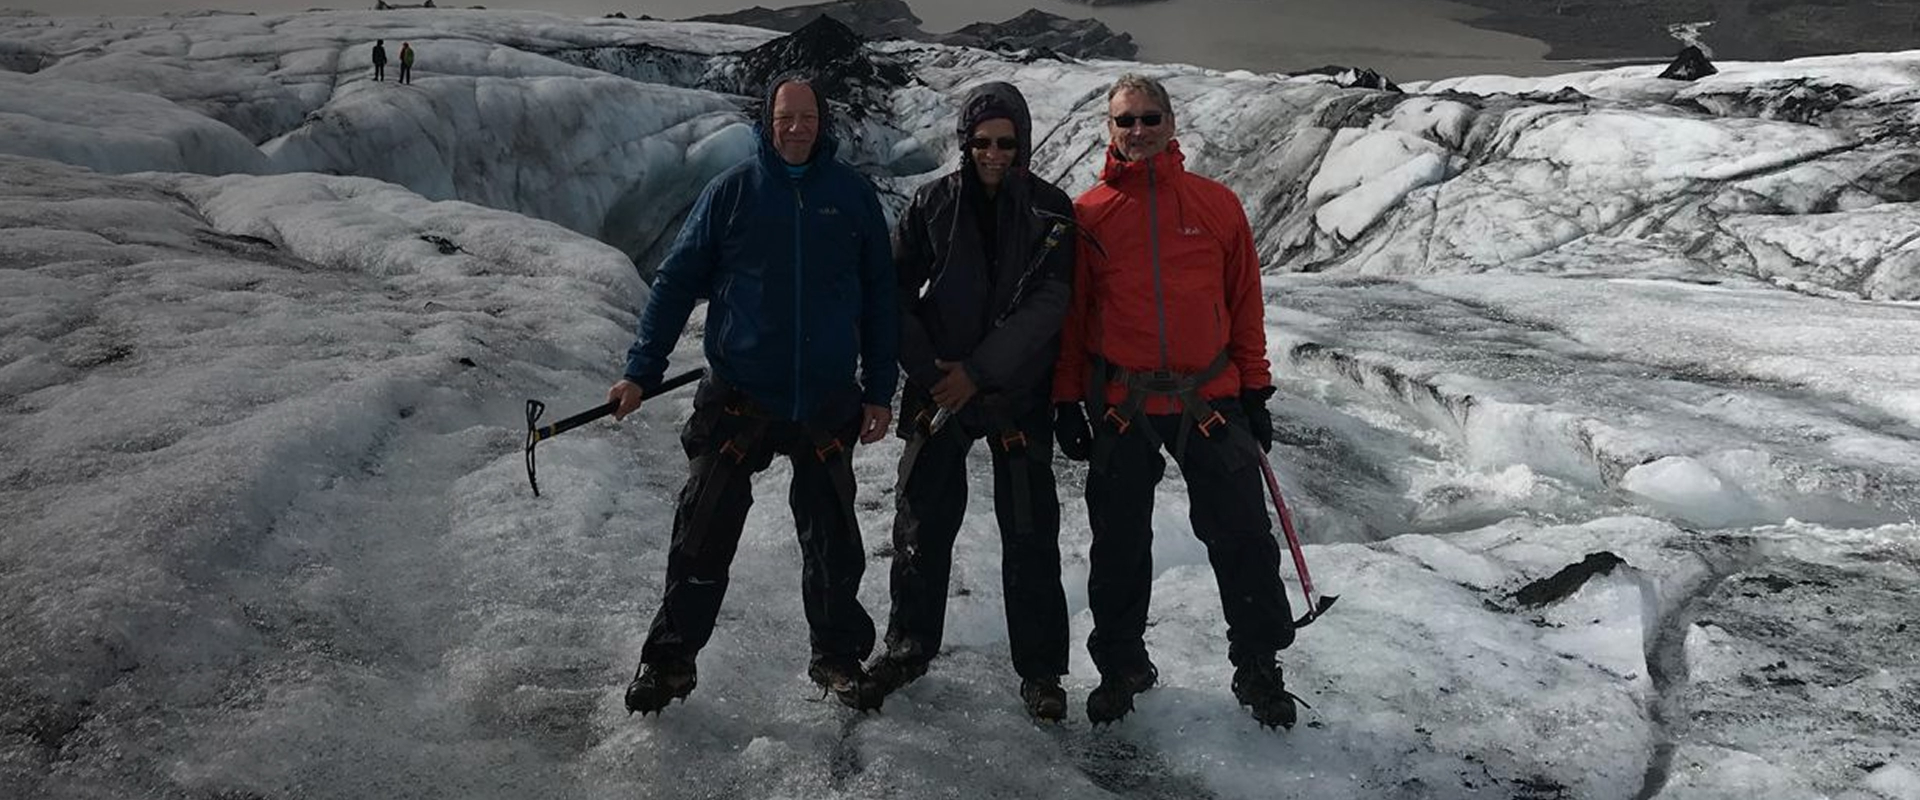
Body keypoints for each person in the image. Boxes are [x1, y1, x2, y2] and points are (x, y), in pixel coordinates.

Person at [610, 73, 899, 715]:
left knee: (833, 542)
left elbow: (881, 294)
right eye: (785, 117)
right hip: (740, 396)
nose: (796, 128)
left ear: (823, 122)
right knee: (701, 533)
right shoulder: (732, 193)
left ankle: (837, 657)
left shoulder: (850, 196)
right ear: (768, 121)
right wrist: (641, 370)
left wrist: (881, 389)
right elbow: (675, 282)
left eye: (807, 117)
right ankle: (668, 661)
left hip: (825, 399)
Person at [1052, 73, 1300, 729]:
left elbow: (1244, 302)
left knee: (1244, 538)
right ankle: (1121, 665)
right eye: (1125, 120)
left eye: (1149, 118)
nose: (1138, 130)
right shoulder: (1089, 215)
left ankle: (1258, 666)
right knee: (1118, 546)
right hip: (1122, 402)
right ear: (1110, 129)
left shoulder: (1216, 206)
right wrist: (1066, 399)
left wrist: (1255, 389)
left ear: (1171, 124)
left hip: (1210, 397)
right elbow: (1075, 319)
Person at [864, 82, 1076, 720]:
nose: (994, 154)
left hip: (1015, 391)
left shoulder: (1050, 209)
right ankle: (907, 648)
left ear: (1022, 143)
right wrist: (931, 371)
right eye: (982, 142)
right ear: (965, 142)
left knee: (1030, 533)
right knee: (921, 525)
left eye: (1006, 143)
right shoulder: (934, 203)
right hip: (941, 388)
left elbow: (1049, 305)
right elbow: (892, 291)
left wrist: (977, 373)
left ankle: (1041, 671)